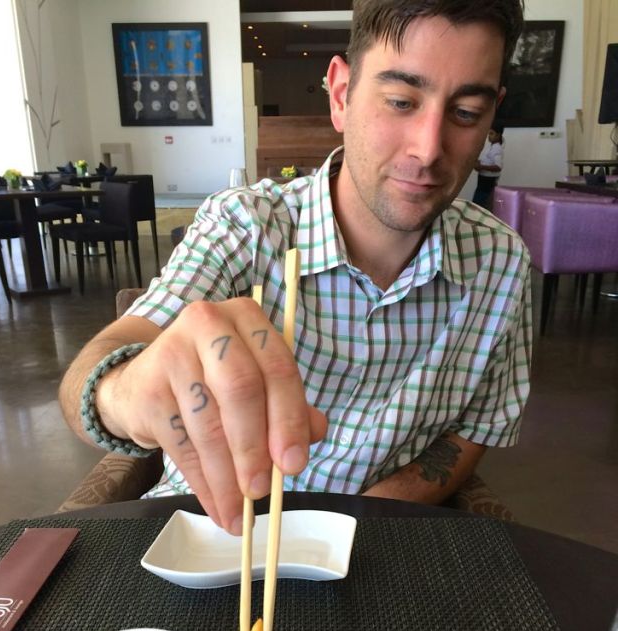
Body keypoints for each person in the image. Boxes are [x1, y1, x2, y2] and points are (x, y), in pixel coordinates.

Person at [59, 0, 531, 537]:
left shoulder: (500, 263)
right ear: (341, 94)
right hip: (213, 536)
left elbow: (475, 428)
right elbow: (90, 377)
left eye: (465, 112)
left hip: (378, 541)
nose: (428, 149)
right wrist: (126, 393)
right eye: (401, 101)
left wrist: (354, 527)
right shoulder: (246, 225)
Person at [473, 125, 505, 209]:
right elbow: (487, 161)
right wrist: (477, 163)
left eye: (491, 134)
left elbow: (498, 167)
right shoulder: (491, 147)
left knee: (479, 205)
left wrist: (481, 167)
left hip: (488, 182)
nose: (489, 136)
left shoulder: (497, 149)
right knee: (478, 204)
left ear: (498, 135)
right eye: (488, 134)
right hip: (482, 180)